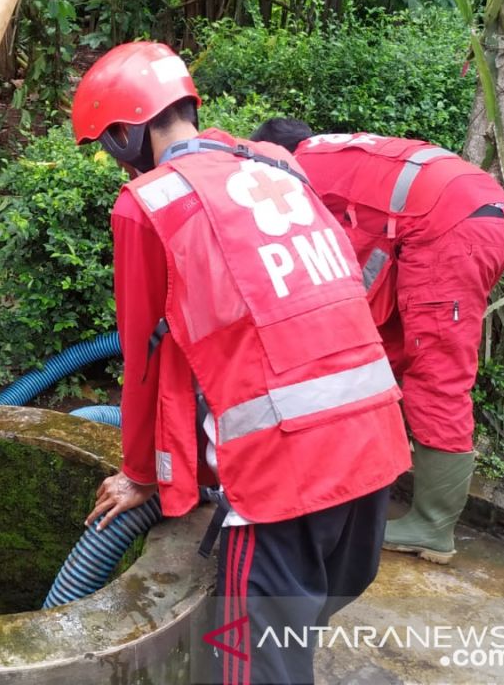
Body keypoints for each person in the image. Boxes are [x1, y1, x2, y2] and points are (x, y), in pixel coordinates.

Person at [72, 42, 410, 684]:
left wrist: (142, 474)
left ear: (124, 134)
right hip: (375, 442)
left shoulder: (149, 202)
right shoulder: (278, 162)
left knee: (246, 664)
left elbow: (145, 358)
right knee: (296, 630)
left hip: (282, 473)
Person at [251, 118, 504, 565]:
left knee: (436, 375)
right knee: (382, 355)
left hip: (452, 230)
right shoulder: (335, 154)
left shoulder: (291, 172)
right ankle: (358, 483)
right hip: (472, 213)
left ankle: (432, 526)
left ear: (273, 154)